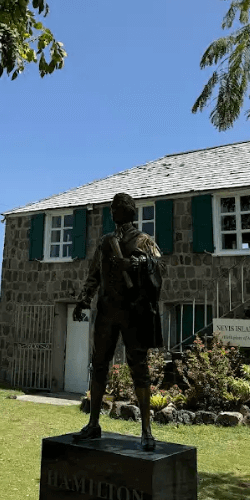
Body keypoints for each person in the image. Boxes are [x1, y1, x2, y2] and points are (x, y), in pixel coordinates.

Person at [72, 192, 166, 451]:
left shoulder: (144, 241)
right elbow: (93, 275)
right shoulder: (105, 242)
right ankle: (93, 424)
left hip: (134, 313)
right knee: (99, 364)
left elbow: (160, 267)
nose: (112, 211)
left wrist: (136, 264)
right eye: (112, 208)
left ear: (128, 210)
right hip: (106, 312)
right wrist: (83, 300)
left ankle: (146, 430)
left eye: (117, 207)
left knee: (139, 367)